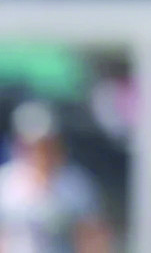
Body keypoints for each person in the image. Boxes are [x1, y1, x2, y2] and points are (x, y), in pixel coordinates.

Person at [0, 102, 112, 253]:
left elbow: (93, 237)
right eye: (33, 146)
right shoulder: (6, 183)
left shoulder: (76, 184)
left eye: (46, 145)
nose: (40, 152)